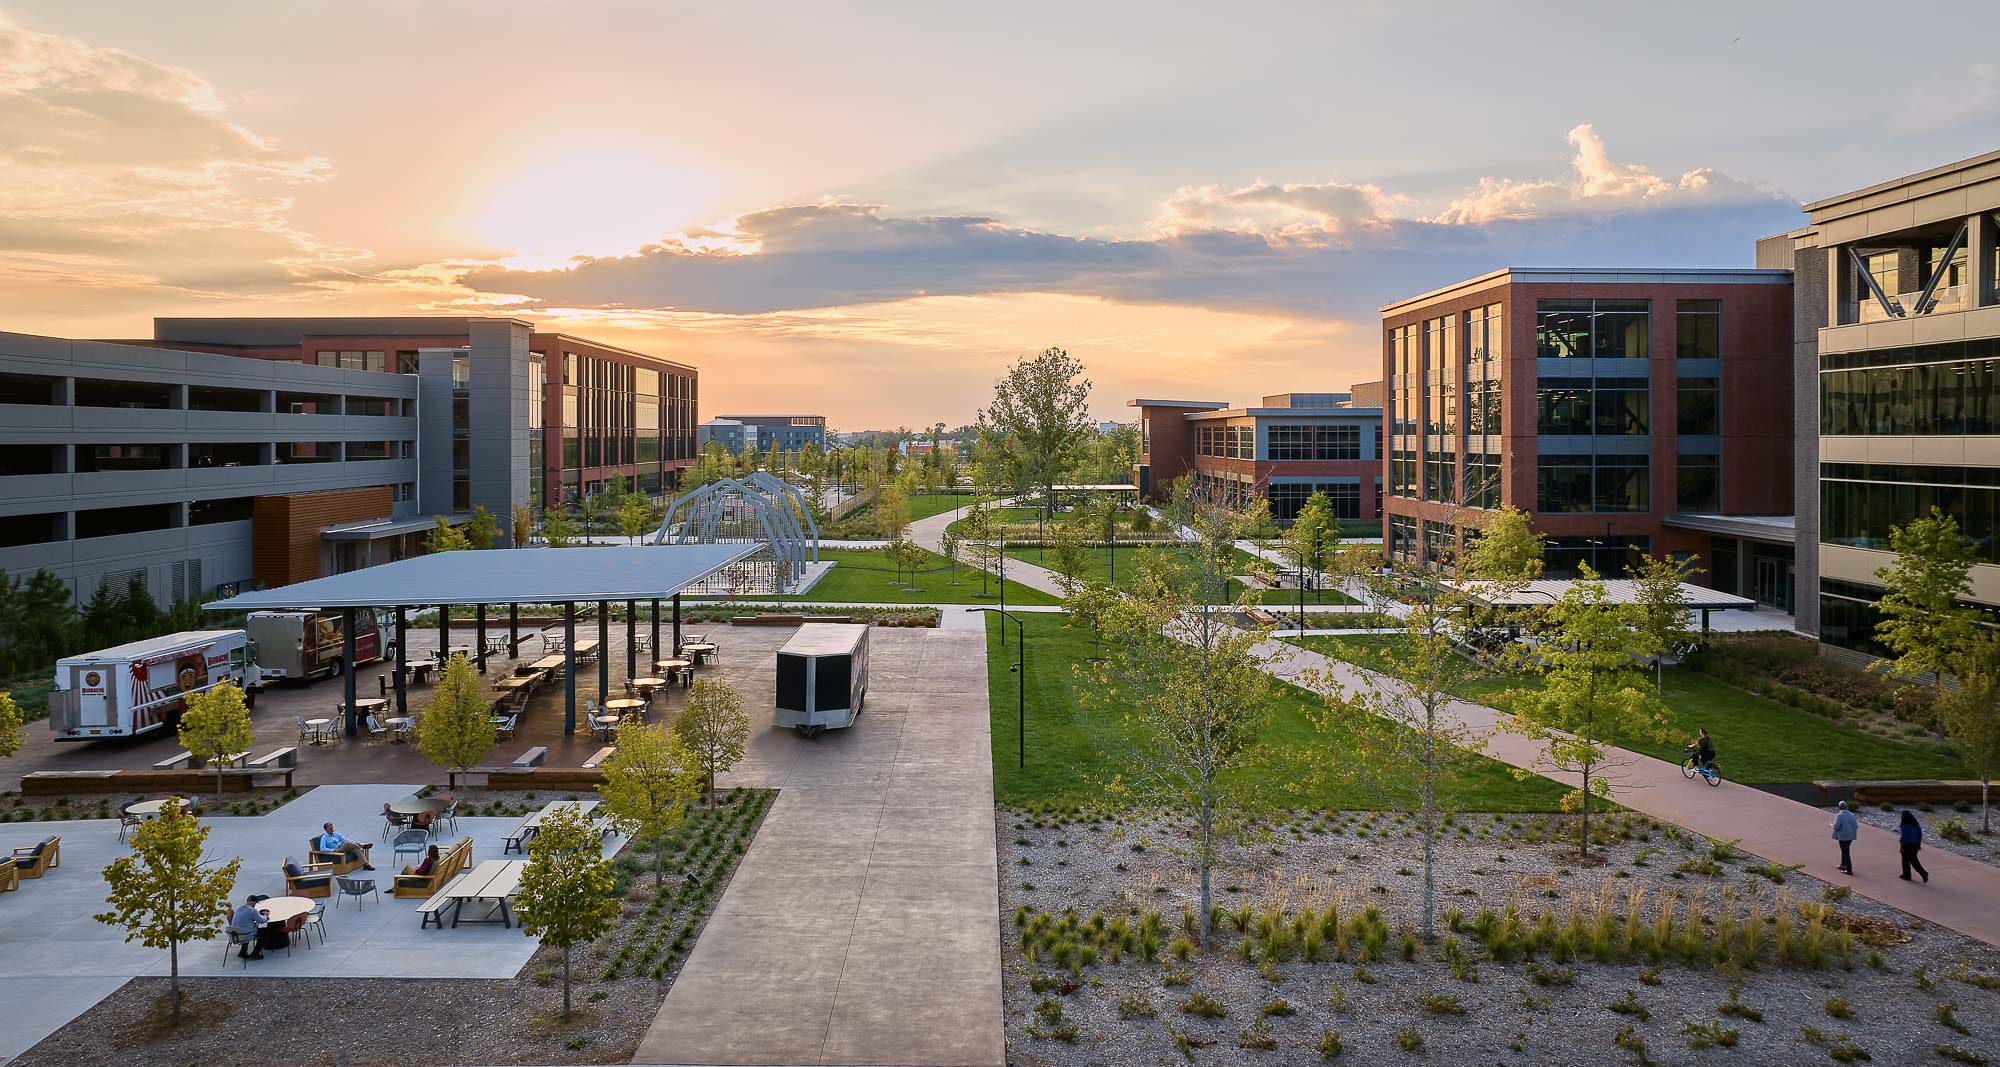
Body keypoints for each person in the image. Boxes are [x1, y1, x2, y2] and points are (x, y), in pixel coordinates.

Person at [229, 895, 266, 960]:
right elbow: (262, 921)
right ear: (254, 902)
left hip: (234, 935)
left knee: (245, 928)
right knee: (264, 932)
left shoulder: (238, 908)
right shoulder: (252, 910)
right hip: (244, 935)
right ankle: (255, 954)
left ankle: (243, 952)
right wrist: (266, 915)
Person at [1899, 810, 1931, 883]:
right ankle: (1922, 873)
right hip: (1915, 844)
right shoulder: (1916, 825)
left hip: (1907, 845)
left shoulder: (1904, 825)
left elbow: (1904, 837)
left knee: (1905, 860)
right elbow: (1920, 835)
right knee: (1914, 860)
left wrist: (1902, 846)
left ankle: (1907, 875)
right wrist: (1919, 844)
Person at [1831, 801, 1859, 875]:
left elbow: (1836, 827)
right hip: (1851, 836)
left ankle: (1848, 869)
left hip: (1843, 836)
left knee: (1845, 852)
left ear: (1839, 807)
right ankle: (1842, 865)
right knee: (1844, 850)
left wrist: (1832, 826)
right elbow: (1856, 826)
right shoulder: (1852, 815)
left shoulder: (1839, 815)